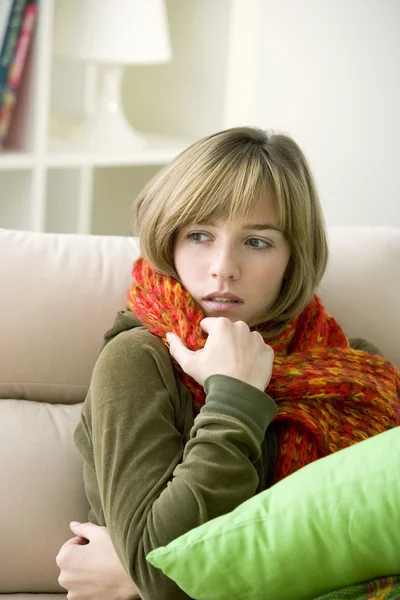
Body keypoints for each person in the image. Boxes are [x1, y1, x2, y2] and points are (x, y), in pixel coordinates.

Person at [56, 127, 400, 600]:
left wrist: (128, 573)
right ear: (170, 241)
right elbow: (162, 565)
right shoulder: (137, 361)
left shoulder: (357, 373)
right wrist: (235, 398)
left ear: (292, 256)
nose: (223, 267)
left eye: (257, 242)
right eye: (199, 235)